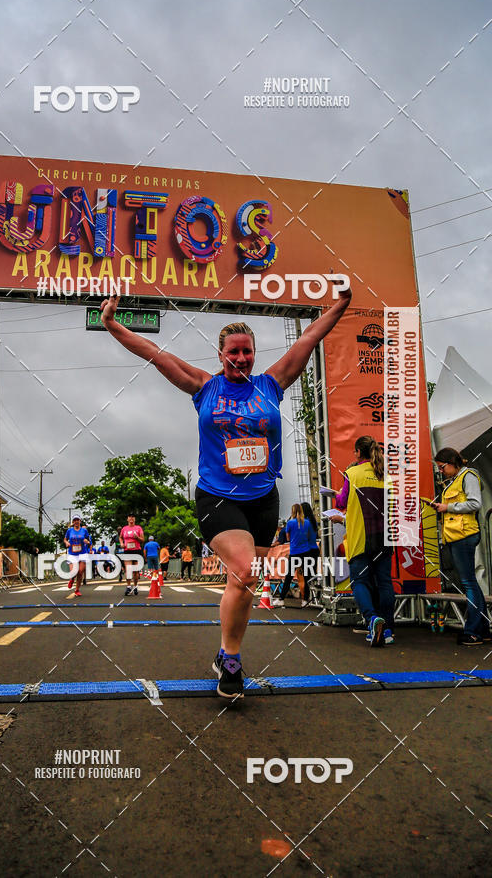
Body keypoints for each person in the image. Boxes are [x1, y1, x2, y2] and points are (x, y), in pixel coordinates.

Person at [101, 285, 352, 698]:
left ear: (254, 353)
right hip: (218, 496)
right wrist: (112, 324)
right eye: (233, 352)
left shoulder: (270, 385)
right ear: (220, 355)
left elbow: (309, 338)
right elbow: (153, 353)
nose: (240, 359)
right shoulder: (205, 387)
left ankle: (223, 654)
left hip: (263, 498)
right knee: (246, 569)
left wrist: (339, 305)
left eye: (247, 352)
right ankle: (232, 660)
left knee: (246, 581)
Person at [333, 435, 394, 647]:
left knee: (359, 582)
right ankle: (387, 630)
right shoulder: (385, 475)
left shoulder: (352, 473)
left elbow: (341, 501)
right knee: (385, 582)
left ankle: (371, 619)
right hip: (385, 538)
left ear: (359, 452)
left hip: (361, 537)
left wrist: (338, 494)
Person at [431, 448, 489, 645]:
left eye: (442, 467)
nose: (441, 472)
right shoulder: (457, 479)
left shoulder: (468, 476)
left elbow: (475, 503)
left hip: (465, 535)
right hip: (458, 535)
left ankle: (474, 631)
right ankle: (481, 628)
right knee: (470, 583)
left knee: (469, 583)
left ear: (450, 462)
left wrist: (448, 507)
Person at [272, 504, 313, 607]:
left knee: (289, 577)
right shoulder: (307, 523)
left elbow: (288, 538)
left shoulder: (290, 523)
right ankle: (305, 600)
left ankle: (281, 599)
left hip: (294, 552)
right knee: (305, 577)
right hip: (305, 552)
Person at [64, 515, 90, 597]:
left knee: (80, 572)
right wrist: (67, 543)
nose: (76, 521)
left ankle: (77, 590)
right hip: (72, 553)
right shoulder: (69, 530)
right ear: (73, 522)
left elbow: (88, 540)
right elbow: (65, 539)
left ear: (80, 521)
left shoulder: (84, 530)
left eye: (77, 520)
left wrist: (87, 541)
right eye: (74, 520)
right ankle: (72, 579)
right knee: (74, 571)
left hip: (82, 553)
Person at [119, 514, 144, 595]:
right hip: (127, 550)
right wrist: (121, 543)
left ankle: (136, 586)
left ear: (135, 519)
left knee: (136, 571)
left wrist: (137, 537)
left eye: (133, 517)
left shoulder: (138, 528)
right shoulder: (124, 528)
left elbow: (142, 539)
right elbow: (120, 537)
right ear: (127, 519)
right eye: (129, 517)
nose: (131, 519)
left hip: (137, 550)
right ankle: (129, 587)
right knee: (128, 569)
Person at [301, 501, 321, 604]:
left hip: (306, 550)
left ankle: (306, 599)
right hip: (314, 549)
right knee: (313, 574)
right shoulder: (313, 521)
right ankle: (316, 597)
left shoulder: (304, 522)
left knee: (306, 575)